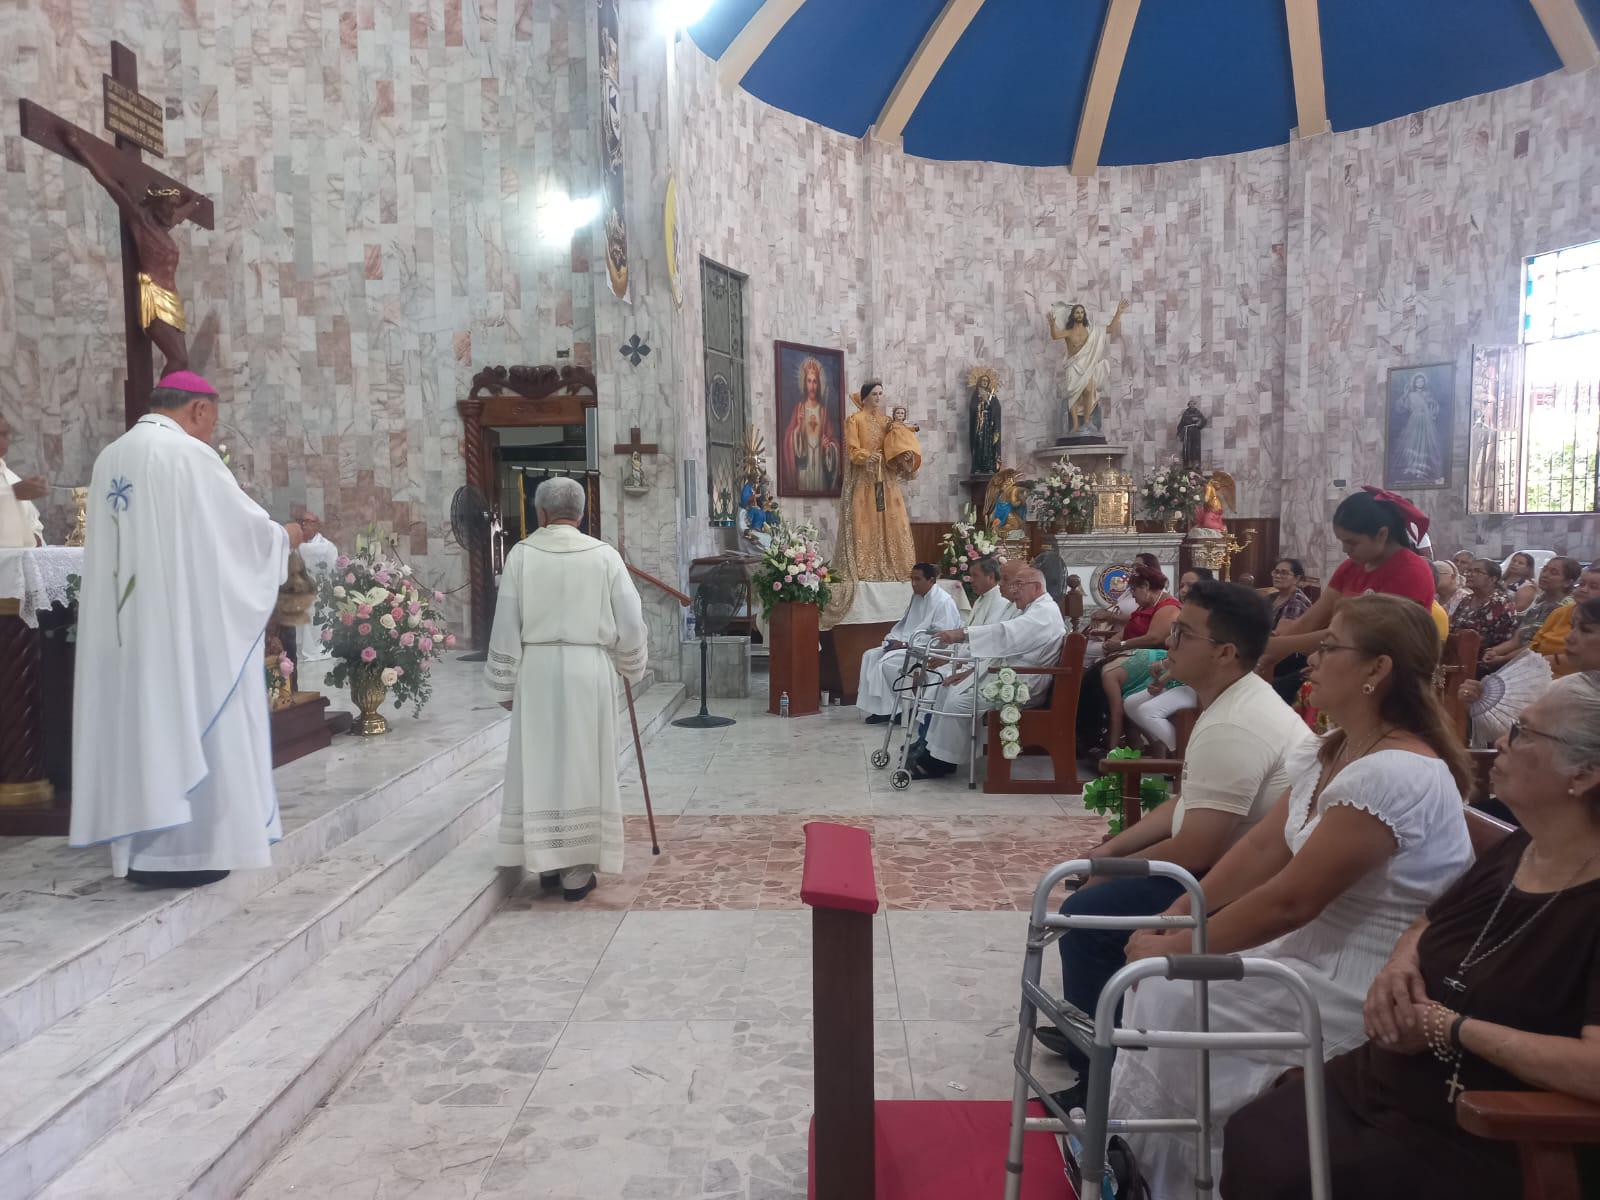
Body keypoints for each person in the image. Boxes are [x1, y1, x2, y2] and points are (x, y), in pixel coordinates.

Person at [1111, 594, 1475, 1197]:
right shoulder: (1329, 747)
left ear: (1376, 670)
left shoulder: (1397, 773)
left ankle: (1201, 1172)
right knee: (1166, 988)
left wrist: (1179, 948)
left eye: (1330, 648)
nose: (1310, 658)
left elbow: (1292, 900)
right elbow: (1262, 852)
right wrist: (1181, 912)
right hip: (1314, 948)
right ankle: (1152, 1164)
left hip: (1363, 973)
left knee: (1175, 989)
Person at [1222, 672, 1600, 1200]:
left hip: (1486, 1129)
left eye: (1522, 733)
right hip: (1393, 1082)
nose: (1499, 742)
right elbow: (1432, 919)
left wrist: (1453, 1027)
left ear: (1583, 775)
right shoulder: (1524, 850)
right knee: (1255, 1131)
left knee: (1289, 1171)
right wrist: (1402, 962)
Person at [1037, 581, 1312, 1072]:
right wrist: (1115, 849)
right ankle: (1094, 1019)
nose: (1169, 642)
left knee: (1086, 915)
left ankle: (1107, 1064)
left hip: (1234, 882)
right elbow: (1189, 804)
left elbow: (1198, 847)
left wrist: (1112, 868)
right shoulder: (1234, 699)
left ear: (1226, 652)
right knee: (1097, 884)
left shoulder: (1236, 723)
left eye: (1184, 634)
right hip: (1225, 864)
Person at [68, 372, 303, 887]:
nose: (208, 433)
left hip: (127, 637)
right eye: (210, 421)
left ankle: (142, 851)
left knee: (138, 729)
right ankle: (194, 851)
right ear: (196, 410)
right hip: (182, 643)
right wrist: (287, 536)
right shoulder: (189, 456)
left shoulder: (111, 457)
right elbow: (241, 536)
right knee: (194, 721)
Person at [485, 477, 647, 902]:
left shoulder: (521, 555)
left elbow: (505, 623)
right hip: (587, 670)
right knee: (583, 763)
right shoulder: (604, 556)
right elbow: (631, 619)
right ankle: (577, 872)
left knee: (541, 762)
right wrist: (629, 663)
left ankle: (547, 864)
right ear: (581, 512)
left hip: (536, 671)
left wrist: (505, 680)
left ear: (540, 514)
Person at [911, 567, 1064, 778]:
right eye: (1014, 584)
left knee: (959, 703)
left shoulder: (1044, 612)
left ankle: (939, 762)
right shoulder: (1033, 608)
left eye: (1019, 585)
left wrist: (962, 634)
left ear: (1036, 587)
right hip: (1009, 674)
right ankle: (933, 752)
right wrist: (969, 673)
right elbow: (1006, 645)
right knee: (948, 689)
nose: (1014, 590)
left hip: (1024, 682)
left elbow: (1005, 634)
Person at [823, 381, 915, 621]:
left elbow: (896, 445)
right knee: (865, 521)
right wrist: (867, 455)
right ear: (864, 397)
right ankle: (866, 567)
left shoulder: (887, 422)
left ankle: (895, 567)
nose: (878, 397)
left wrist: (903, 455)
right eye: (874, 394)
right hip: (865, 480)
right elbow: (852, 450)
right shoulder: (855, 420)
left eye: (881, 393)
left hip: (886, 480)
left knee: (895, 521)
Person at [1079, 563, 1180, 752]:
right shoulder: (1146, 605)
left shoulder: (1169, 607)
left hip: (1154, 656)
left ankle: (1109, 742)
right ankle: (1109, 737)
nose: (1132, 595)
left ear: (1146, 587)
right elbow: (1129, 629)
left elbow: (1155, 637)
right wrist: (1114, 643)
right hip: (1133, 653)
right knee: (1092, 678)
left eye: (1134, 590)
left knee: (1103, 676)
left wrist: (1122, 646)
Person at [856, 562, 961, 724]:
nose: (913, 584)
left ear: (931, 580)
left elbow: (941, 638)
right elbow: (905, 624)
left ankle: (903, 708)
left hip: (929, 652)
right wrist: (893, 639)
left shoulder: (943, 602)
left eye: (918, 579)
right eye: (912, 579)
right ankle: (881, 709)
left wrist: (905, 645)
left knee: (887, 665)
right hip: (910, 645)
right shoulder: (917, 597)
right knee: (870, 655)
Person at [1481, 556, 1579, 670]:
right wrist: (1494, 651)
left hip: (1541, 666)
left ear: (1568, 582)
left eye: (1554, 572)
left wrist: (1504, 659)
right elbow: (1517, 640)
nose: (1545, 575)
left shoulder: (1568, 608)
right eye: (1545, 569)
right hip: (1518, 659)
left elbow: (1538, 646)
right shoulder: (1538, 605)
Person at [1451, 559, 1519, 666]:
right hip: (1459, 654)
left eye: (1477, 572)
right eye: (1469, 571)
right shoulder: (1467, 599)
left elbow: (1494, 639)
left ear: (1493, 579)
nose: (1470, 575)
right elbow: (1453, 626)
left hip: (1485, 660)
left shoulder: (1500, 603)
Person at [1265, 557, 1313, 703]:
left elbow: (1281, 636)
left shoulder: (1296, 600)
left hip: (1288, 659)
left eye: (1284, 573)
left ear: (1297, 578)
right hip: (1268, 647)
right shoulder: (1272, 597)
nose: (1278, 576)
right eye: (1276, 572)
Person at [294, 510, 339, 662]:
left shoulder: (327, 547)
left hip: (319, 593)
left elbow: (333, 570)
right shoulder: (295, 545)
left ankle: (319, 647)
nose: (304, 524)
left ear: (316, 525)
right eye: (302, 521)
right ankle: (298, 648)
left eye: (308, 522)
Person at [0, 413, 47, 547]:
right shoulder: (15, 486)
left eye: (6, 434)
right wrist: (12, 494)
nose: (6, 439)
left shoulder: (10, 477)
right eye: (1, 434)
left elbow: (35, 527)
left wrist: (35, 539)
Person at [881, 405, 923, 479]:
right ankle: (904, 467)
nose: (900, 414)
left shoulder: (906, 425)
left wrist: (916, 427)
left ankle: (909, 466)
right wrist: (888, 426)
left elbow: (914, 428)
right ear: (894, 415)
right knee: (900, 455)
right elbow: (887, 428)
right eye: (898, 413)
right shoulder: (893, 424)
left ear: (904, 416)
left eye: (902, 413)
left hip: (906, 443)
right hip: (897, 443)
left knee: (909, 453)